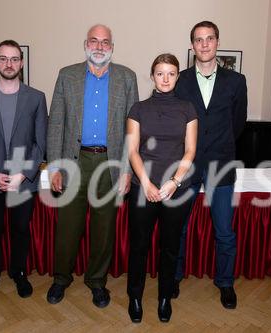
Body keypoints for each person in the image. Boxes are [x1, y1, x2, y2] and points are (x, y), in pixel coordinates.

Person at [46, 24, 139, 308]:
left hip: (110, 164)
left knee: (103, 229)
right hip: (74, 162)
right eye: (94, 41)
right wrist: (54, 167)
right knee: (67, 228)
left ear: (112, 46)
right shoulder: (67, 75)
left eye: (105, 42)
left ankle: (96, 281)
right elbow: (56, 124)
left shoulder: (127, 78)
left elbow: (132, 130)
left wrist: (126, 170)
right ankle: (61, 278)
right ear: (85, 44)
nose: (99, 47)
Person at [174, 21, 247, 309]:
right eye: (198, 40)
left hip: (221, 164)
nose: (204, 44)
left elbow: (238, 123)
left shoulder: (236, 81)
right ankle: (175, 276)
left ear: (217, 42)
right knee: (178, 226)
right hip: (187, 164)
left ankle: (225, 283)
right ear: (192, 45)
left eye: (209, 39)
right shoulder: (180, 79)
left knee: (224, 230)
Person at [0, 39, 48, 303]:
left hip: (22, 182)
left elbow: (40, 143)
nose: (9, 63)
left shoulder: (36, 98)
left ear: (21, 63)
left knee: (20, 230)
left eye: (14, 59)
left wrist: (22, 175)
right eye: (3, 58)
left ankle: (19, 272)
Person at [126, 54, 197, 323]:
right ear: (152, 76)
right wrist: (146, 183)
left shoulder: (188, 108)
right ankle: (135, 297)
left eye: (171, 73)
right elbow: (132, 151)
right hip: (143, 188)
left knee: (169, 248)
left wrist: (173, 182)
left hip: (176, 189)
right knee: (139, 246)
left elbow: (190, 151)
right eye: (160, 73)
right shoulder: (138, 109)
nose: (165, 78)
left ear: (178, 76)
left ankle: (165, 298)